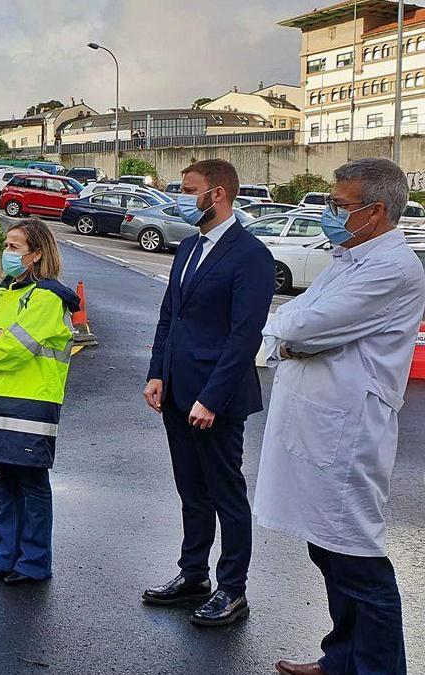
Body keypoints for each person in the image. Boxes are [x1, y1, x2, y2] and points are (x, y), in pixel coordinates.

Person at [254, 158, 425, 675]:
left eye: (339, 205)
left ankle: (376, 669)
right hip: (317, 423)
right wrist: (291, 335)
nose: (329, 213)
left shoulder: (393, 267)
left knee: (356, 558)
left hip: (347, 432)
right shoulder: (348, 257)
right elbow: (295, 319)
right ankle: (342, 659)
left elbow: (303, 326)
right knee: (327, 551)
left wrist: (291, 336)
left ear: (374, 211)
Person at [141, 159, 275, 626]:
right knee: (191, 492)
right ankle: (193, 574)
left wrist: (212, 399)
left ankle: (232, 589)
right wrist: (157, 372)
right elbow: (169, 317)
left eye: (187, 189)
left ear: (217, 194)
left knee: (226, 494)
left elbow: (245, 337)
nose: (181, 196)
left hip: (216, 400)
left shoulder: (250, 255)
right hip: (176, 392)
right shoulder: (188, 248)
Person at [0, 219, 81, 584]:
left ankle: (34, 563)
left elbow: (14, 349)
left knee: (31, 481)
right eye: (7, 245)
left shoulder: (47, 298)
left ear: (36, 254)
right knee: (5, 477)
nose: (7, 253)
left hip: (31, 405)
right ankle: (5, 556)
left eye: (14, 247)